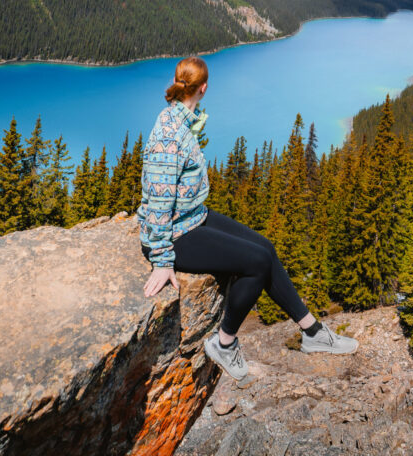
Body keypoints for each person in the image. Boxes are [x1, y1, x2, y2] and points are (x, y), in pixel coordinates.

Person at [137, 55, 358, 381]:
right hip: (175, 234)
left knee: (265, 248)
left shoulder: (179, 117)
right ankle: (225, 343)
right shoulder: (170, 136)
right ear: (204, 87)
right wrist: (161, 259)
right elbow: (157, 200)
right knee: (255, 262)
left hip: (193, 216)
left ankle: (313, 332)